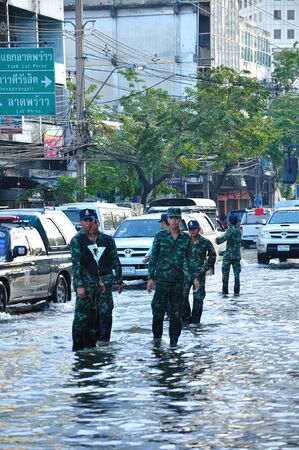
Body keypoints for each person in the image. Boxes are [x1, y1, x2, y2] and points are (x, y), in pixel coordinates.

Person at [147, 208, 200, 346]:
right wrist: (150, 278)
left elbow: (190, 260)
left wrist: (195, 277)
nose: (174, 221)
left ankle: (174, 343)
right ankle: (157, 340)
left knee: (176, 314)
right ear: (168, 220)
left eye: (177, 218)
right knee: (158, 311)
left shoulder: (186, 239)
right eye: (172, 218)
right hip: (162, 280)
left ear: (181, 220)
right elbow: (153, 258)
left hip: (178, 281)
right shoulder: (160, 236)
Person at [71, 208, 105, 351]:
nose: (89, 223)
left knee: (94, 316)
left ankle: (90, 347)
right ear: (80, 222)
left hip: (94, 285)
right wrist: (79, 286)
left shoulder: (92, 239)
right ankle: (78, 348)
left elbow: (94, 263)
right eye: (86, 220)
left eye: (91, 220)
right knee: (81, 317)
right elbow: (76, 264)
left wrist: (99, 281)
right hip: (84, 285)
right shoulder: (77, 240)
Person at [90, 218, 124, 342]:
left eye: (95, 223)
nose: (93, 226)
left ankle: (105, 340)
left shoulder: (107, 240)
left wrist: (119, 280)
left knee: (106, 311)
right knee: (92, 312)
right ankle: (92, 339)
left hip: (106, 279)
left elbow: (115, 260)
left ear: (99, 224)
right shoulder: (81, 240)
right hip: (89, 281)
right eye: (90, 223)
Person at [182, 219, 216, 324]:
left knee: (198, 299)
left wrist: (205, 267)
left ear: (199, 229)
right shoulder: (185, 242)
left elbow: (213, 255)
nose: (193, 231)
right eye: (190, 229)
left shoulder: (205, 242)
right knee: (182, 297)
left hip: (199, 274)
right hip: (186, 274)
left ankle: (196, 323)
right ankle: (186, 320)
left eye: (194, 229)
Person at [216, 213, 242, 295]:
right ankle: (236, 292)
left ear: (230, 222)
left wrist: (216, 240)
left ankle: (225, 292)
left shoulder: (230, 230)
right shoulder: (239, 231)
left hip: (228, 256)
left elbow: (221, 240)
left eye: (228, 220)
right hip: (237, 256)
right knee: (237, 276)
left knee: (225, 276)